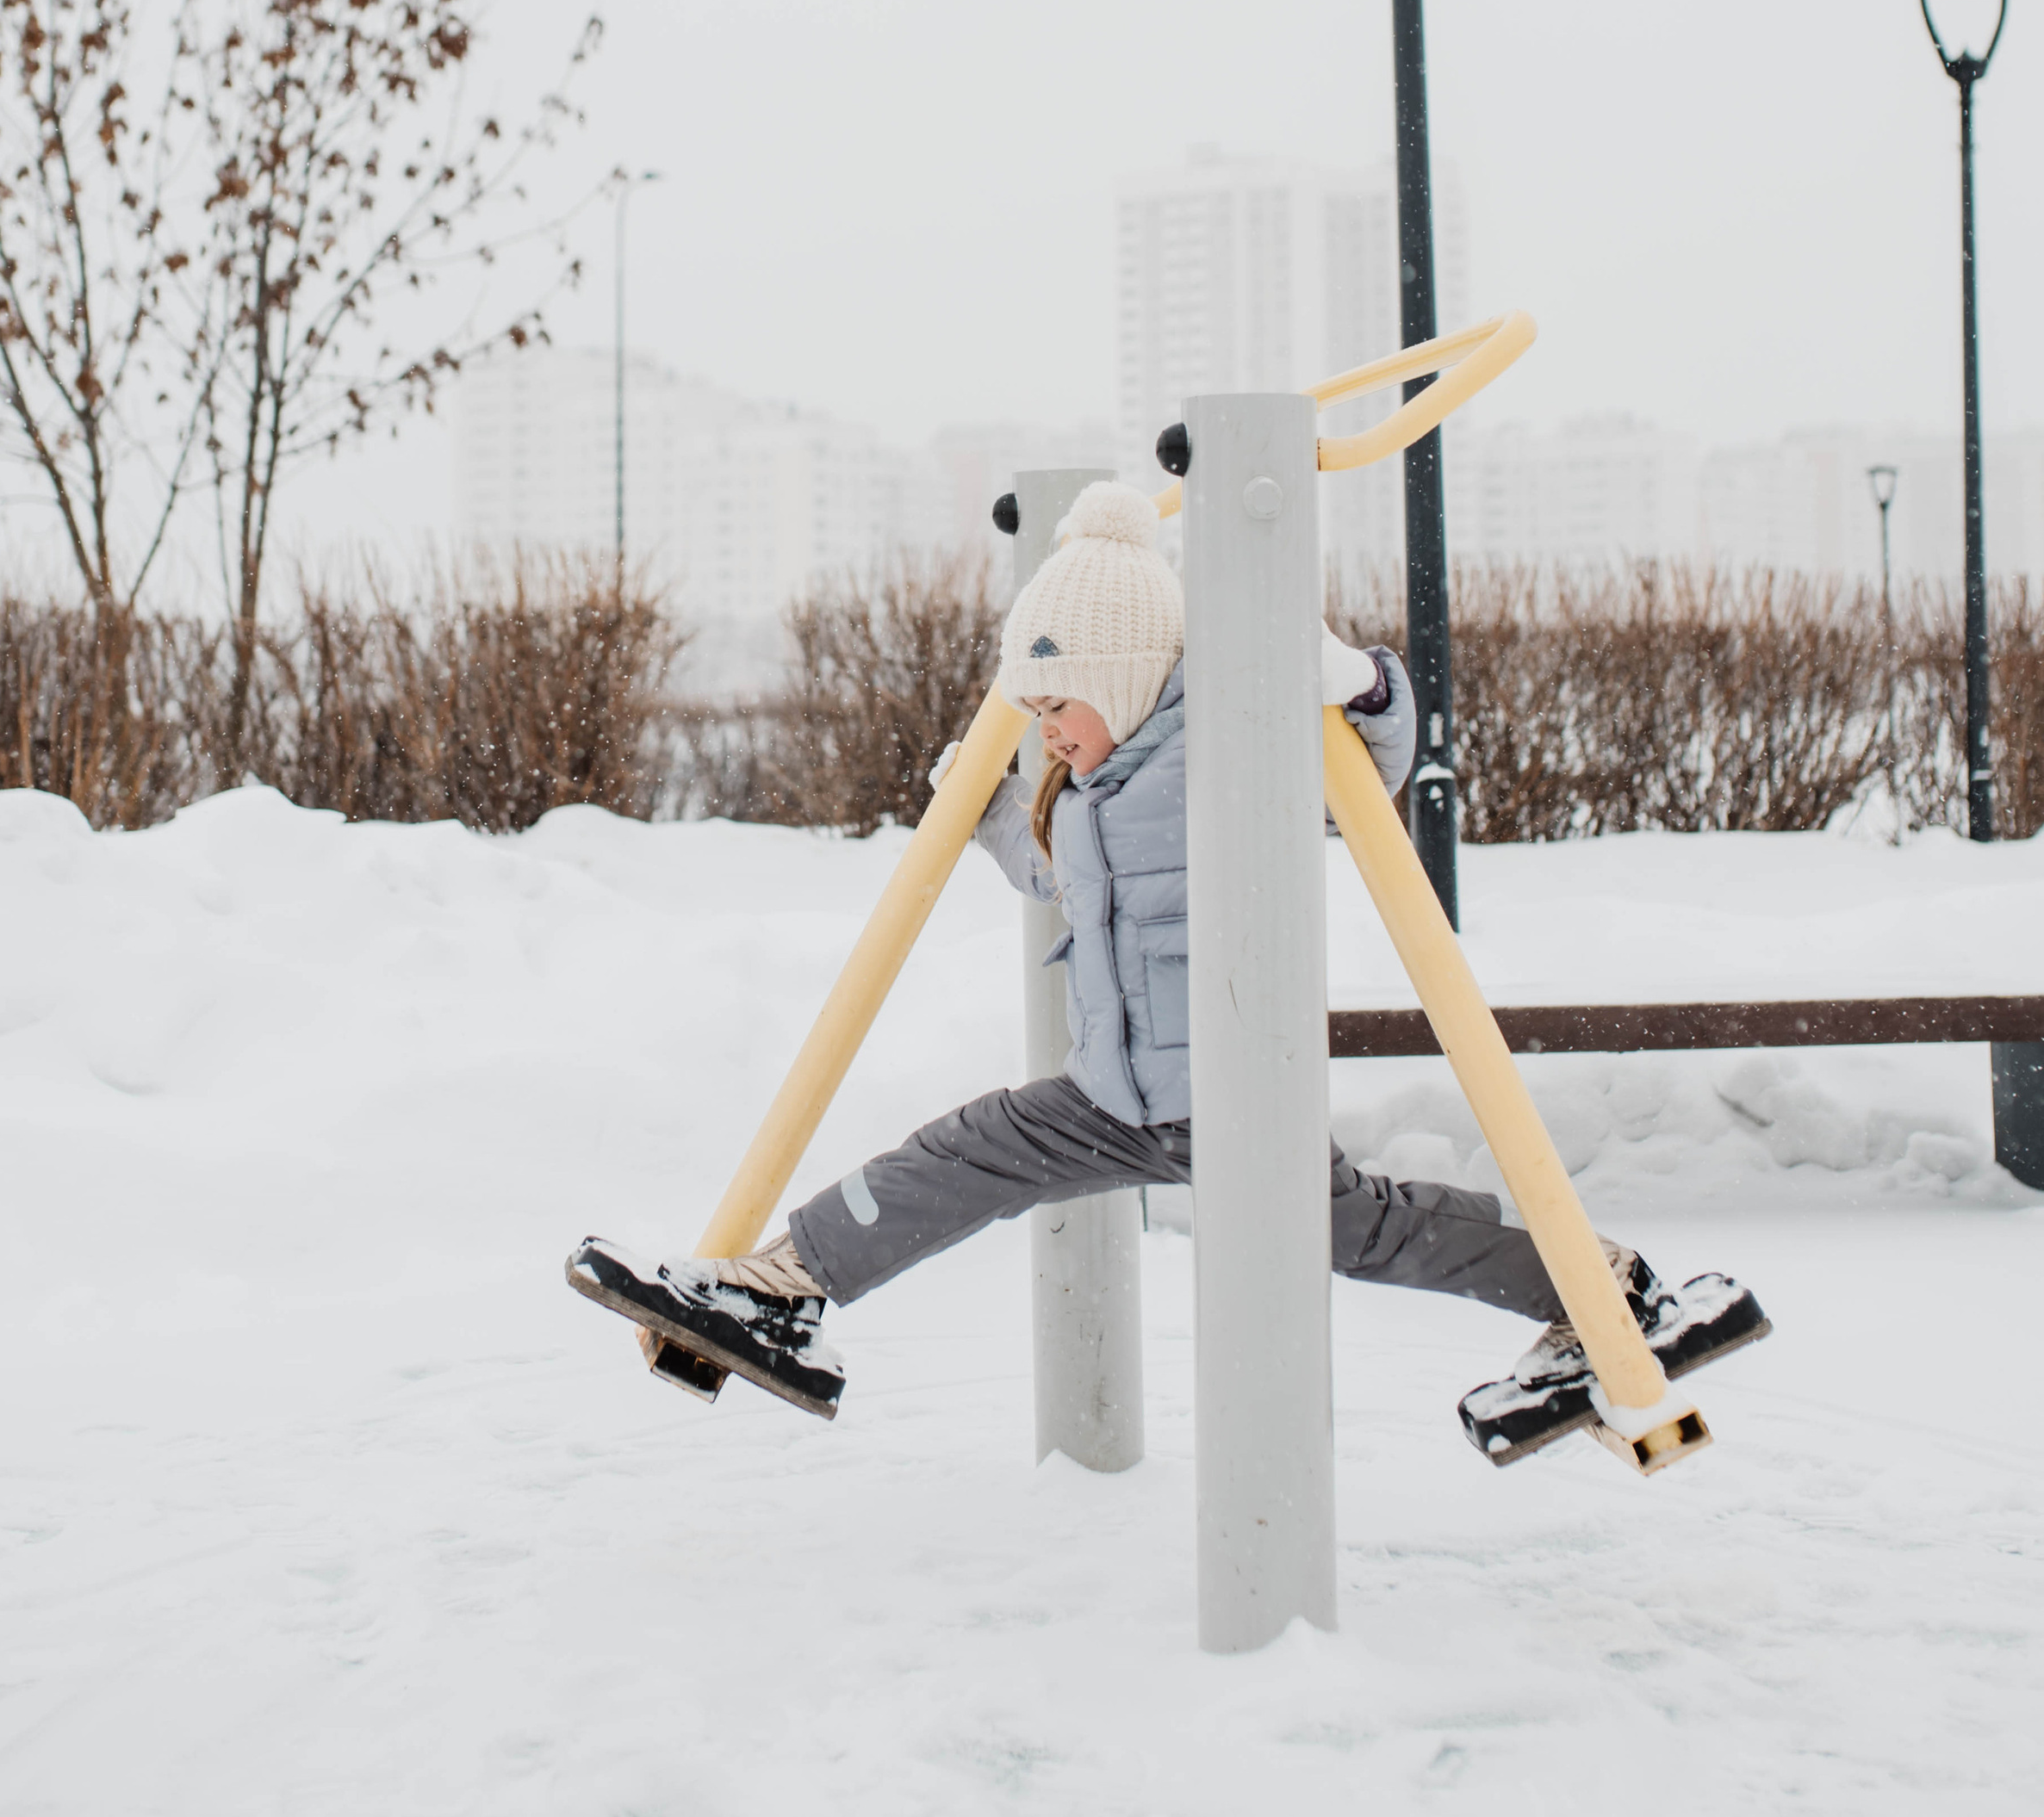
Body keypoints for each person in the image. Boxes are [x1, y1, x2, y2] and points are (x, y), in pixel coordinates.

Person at [570, 481, 1679, 1429]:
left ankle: (1605, 1292)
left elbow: (1361, 775)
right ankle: (785, 1289)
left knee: (1371, 1232)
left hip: (1237, 1098)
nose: (1048, 728)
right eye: (1034, 709)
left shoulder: (1225, 755)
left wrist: (1366, 689)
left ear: (1126, 677)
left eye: (1060, 702)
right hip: (1113, 1095)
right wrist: (985, 810)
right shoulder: (1086, 793)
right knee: (961, 1154)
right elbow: (1059, 879)